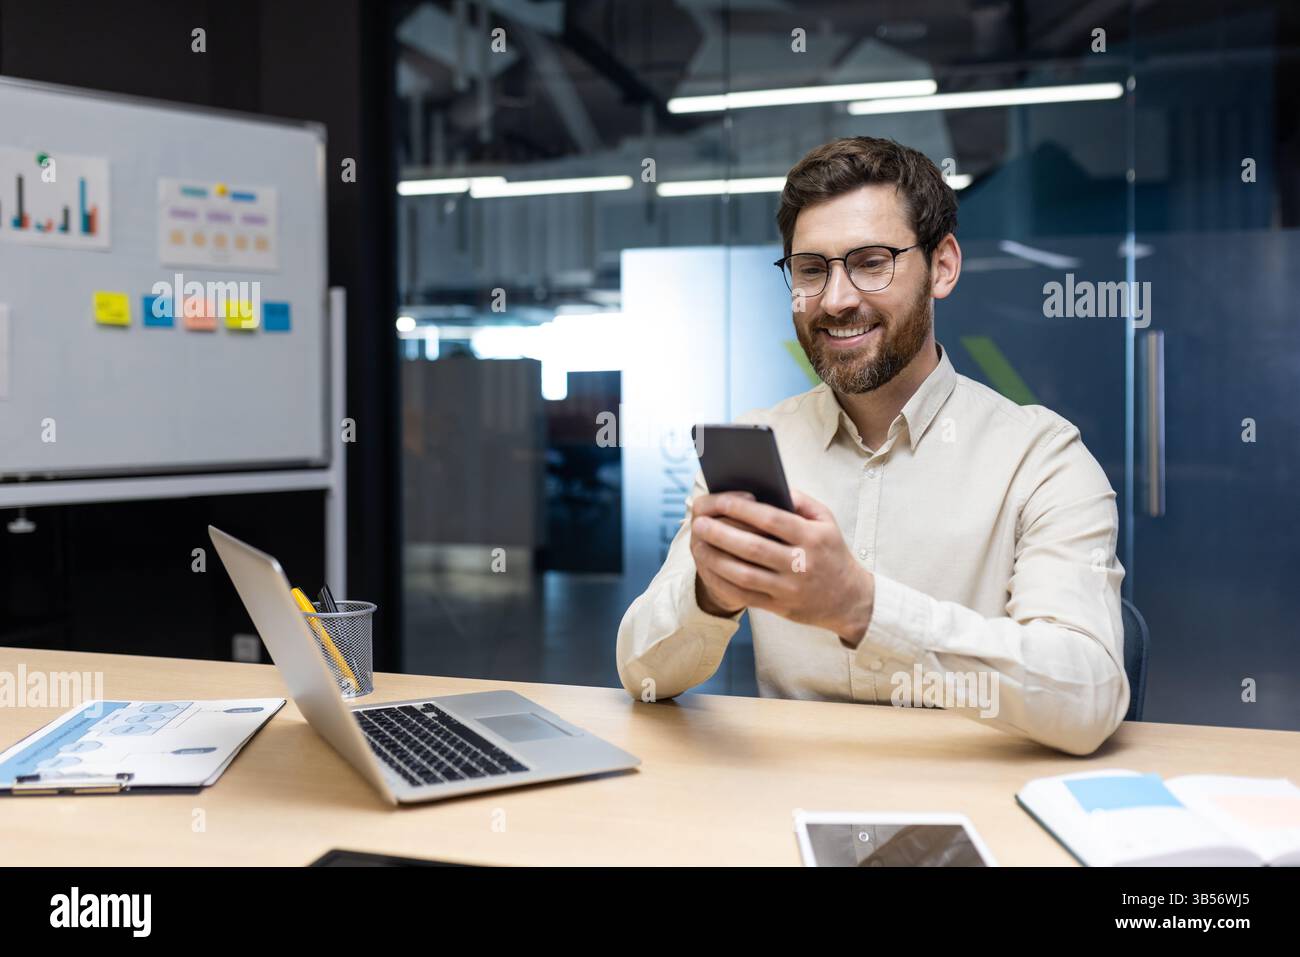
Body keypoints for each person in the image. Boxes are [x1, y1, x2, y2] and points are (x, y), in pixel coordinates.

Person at [616, 136, 1128, 756]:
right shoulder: (758, 450)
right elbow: (642, 675)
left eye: (871, 261)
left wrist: (863, 607)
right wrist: (711, 594)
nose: (835, 299)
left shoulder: (1043, 459)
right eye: (811, 269)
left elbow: (1088, 696)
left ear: (942, 266)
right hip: (781, 809)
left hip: (973, 811)